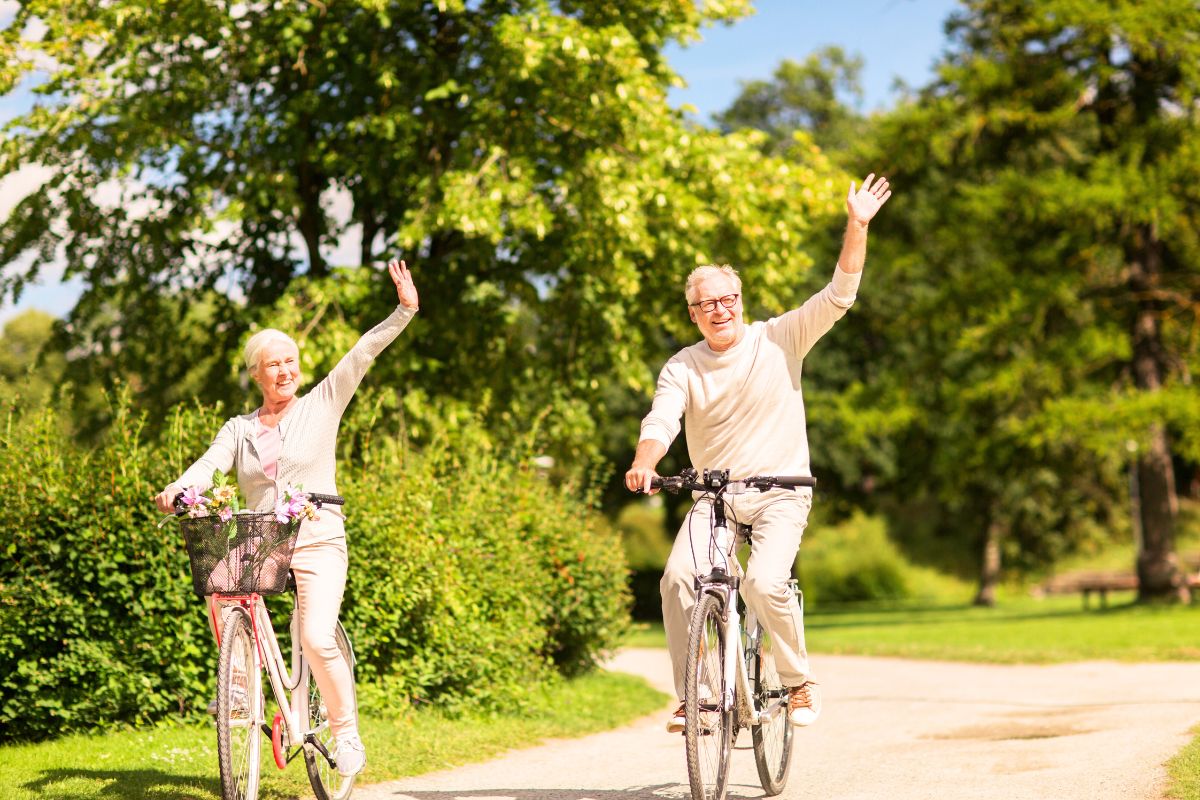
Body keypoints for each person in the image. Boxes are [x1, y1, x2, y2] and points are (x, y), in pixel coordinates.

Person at [624, 174, 892, 733]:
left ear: (740, 302)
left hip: (781, 493)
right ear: (692, 314)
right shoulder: (682, 365)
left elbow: (840, 293)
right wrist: (646, 460)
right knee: (676, 578)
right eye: (706, 304)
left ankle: (797, 682)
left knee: (763, 582)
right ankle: (695, 698)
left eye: (727, 299)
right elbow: (662, 419)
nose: (719, 310)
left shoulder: (780, 338)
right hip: (715, 496)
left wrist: (857, 224)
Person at [155, 258, 419, 777]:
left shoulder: (324, 401)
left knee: (317, 637)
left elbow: (361, 352)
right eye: (273, 364)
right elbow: (209, 466)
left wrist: (403, 311)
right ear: (256, 373)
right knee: (221, 590)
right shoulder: (239, 428)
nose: (285, 371)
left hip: (319, 538)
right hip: (262, 543)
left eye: (291, 361)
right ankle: (243, 687)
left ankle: (346, 735)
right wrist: (179, 489)